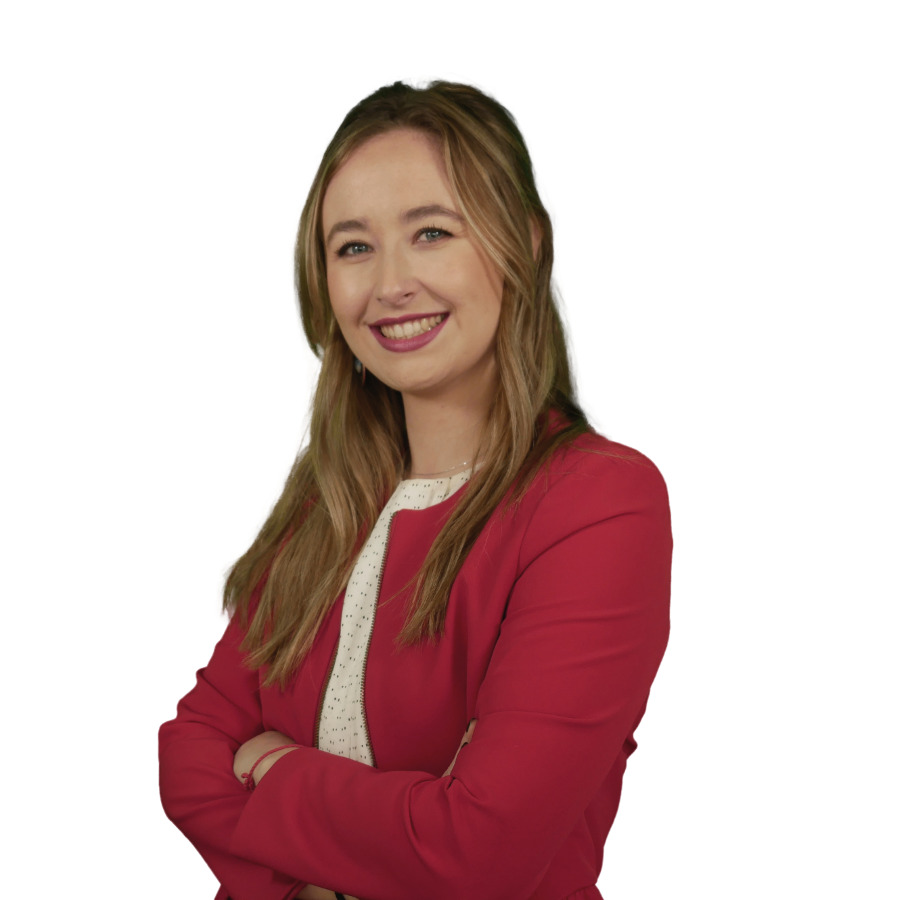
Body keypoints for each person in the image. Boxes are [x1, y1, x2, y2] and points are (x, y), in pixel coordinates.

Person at [158, 80, 672, 900]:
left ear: (524, 242)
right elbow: (188, 758)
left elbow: (478, 852)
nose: (390, 284)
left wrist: (274, 770)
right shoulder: (325, 502)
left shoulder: (597, 505)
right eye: (353, 247)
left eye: (431, 232)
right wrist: (392, 826)